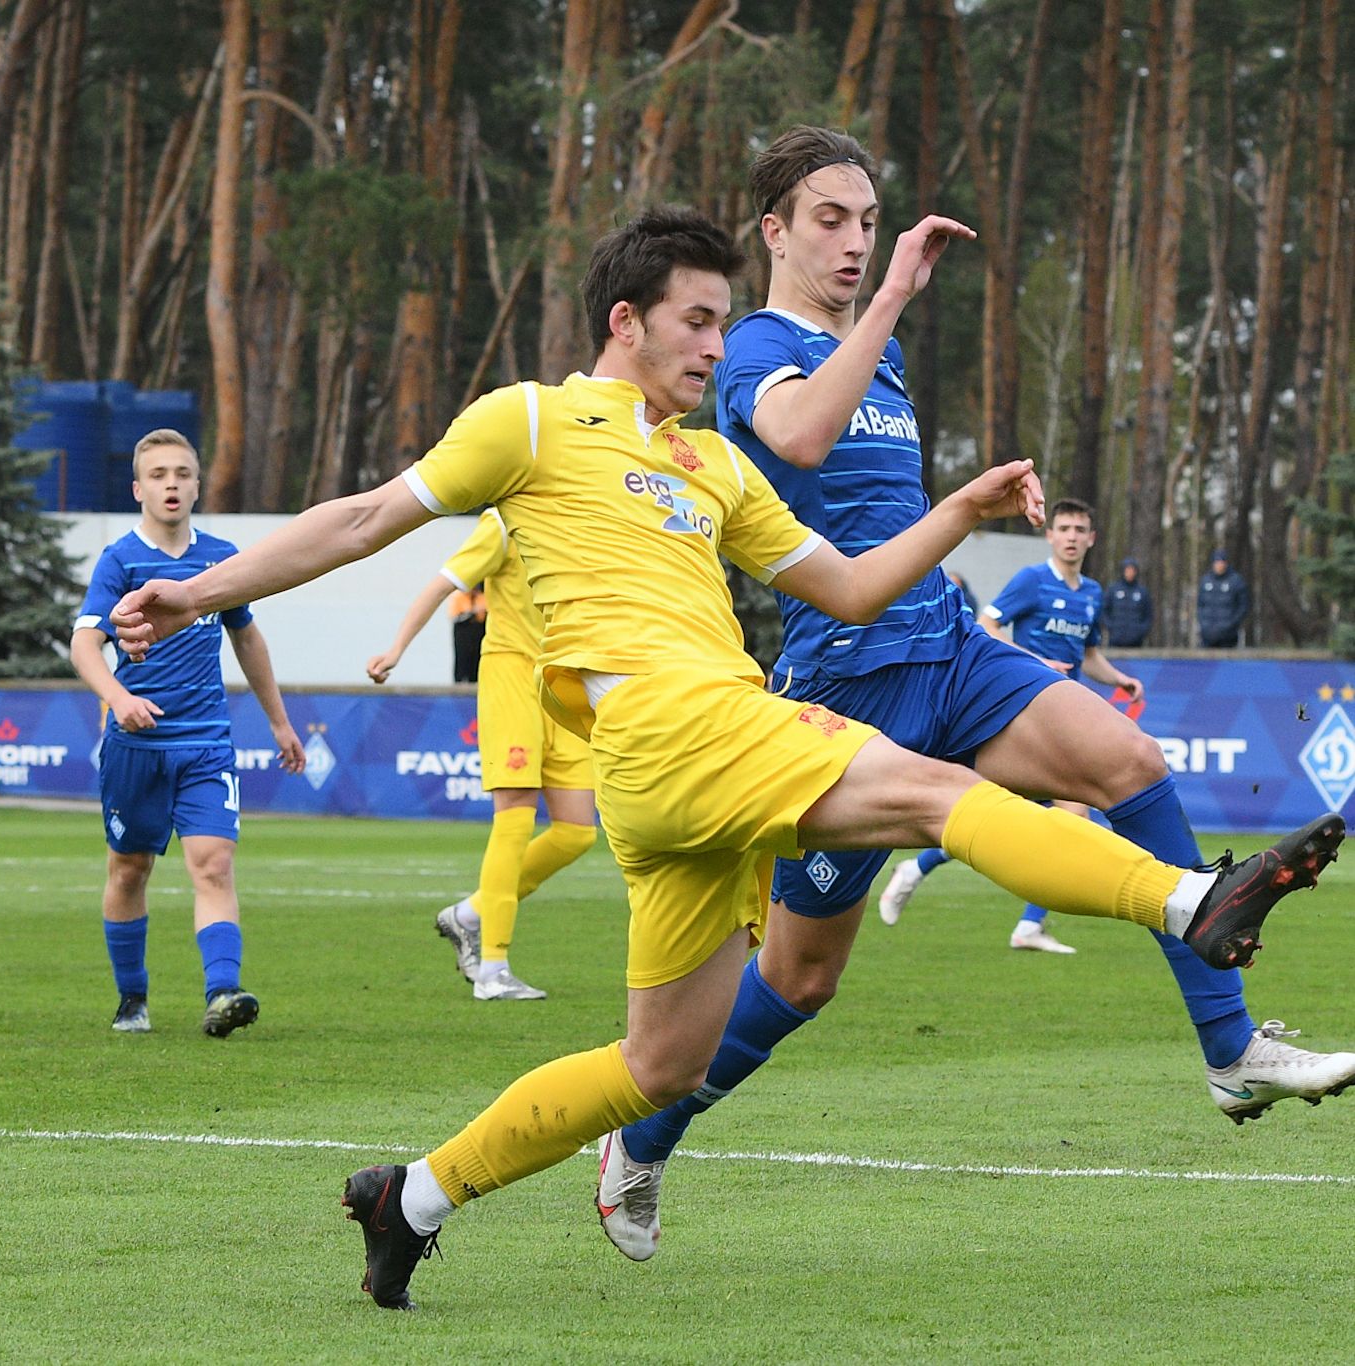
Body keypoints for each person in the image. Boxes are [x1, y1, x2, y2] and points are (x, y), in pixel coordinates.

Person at [109, 209, 1340, 1311]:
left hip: (679, 770)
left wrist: (957, 515)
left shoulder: (714, 466)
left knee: (660, 1064)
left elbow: (848, 588)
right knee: (935, 792)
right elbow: (364, 518)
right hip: (669, 727)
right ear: (625, 320)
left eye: (720, 320)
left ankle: (413, 1196)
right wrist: (196, 591)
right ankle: (1189, 900)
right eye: (696, 321)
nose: (714, 344)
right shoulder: (529, 418)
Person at [602, 129, 1355, 1264]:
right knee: (801, 978)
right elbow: (799, 435)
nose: (855, 241)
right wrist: (892, 298)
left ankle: (1229, 1050)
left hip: (951, 648)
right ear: (774, 231)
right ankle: (645, 1137)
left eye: (867, 222)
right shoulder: (755, 345)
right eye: (829, 219)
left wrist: (966, 497)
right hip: (847, 687)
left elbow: (887, 505)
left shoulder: (879, 353)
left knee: (1131, 765)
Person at [70, 429, 306, 1037]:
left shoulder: (223, 559)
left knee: (214, 865)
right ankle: (132, 998)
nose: (171, 484)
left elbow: (246, 637)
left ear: (198, 485)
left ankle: (222, 993)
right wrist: (119, 699)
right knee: (129, 870)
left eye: (182, 473)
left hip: (206, 744)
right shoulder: (120, 560)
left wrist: (280, 722)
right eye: (158, 475)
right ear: (138, 489)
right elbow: (84, 643)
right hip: (137, 747)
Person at [880, 498, 1144, 954]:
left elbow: (1087, 656)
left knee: (1008, 815)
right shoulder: (1031, 581)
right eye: (1064, 528)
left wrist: (1118, 678)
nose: (1072, 537)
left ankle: (926, 873)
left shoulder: (1092, 593)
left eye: (1080, 529)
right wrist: (1038, 662)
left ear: (1091, 538)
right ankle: (1024, 923)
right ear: (1050, 535)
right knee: (1066, 816)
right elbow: (986, 626)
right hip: (1026, 713)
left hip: (1066, 721)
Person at [366, 510, 598, 999]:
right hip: (511, 677)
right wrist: (396, 649)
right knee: (515, 819)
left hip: (562, 682)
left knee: (577, 831)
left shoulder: (582, 514)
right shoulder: (503, 522)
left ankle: (470, 913)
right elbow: (441, 584)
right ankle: (493, 969)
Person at [1198, 549, 1250, 648]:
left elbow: (1243, 606)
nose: (1219, 565)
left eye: (1222, 562)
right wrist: (1204, 625)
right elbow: (1200, 605)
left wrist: (1231, 625)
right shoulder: (1205, 581)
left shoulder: (1236, 581)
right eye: (1217, 562)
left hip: (1228, 636)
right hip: (1207, 635)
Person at [1101, 556, 1152, 648]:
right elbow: (1104, 611)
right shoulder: (1113, 590)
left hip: (1136, 642)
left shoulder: (1142, 592)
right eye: (1127, 570)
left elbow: (1148, 614)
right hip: (1115, 640)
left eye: (1132, 570)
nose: (1130, 573)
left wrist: (1141, 631)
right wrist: (1111, 627)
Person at [446, 583, 486, 682]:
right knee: (462, 660)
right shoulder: (459, 597)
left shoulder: (482, 598)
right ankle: (459, 684)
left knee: (477, 662)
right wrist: (472, 612)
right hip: (463, 634)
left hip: (478, 635)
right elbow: (455, 617)